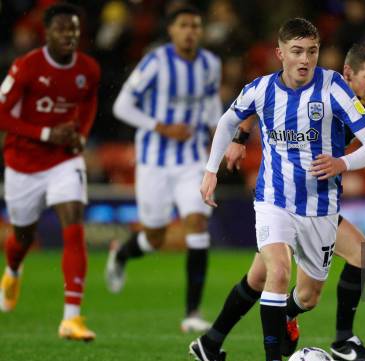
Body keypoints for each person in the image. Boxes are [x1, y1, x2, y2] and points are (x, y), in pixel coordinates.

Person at [191, 42, 365, 361]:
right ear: (348, 73)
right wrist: (240, 140)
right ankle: (342, 339)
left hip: (317, 200)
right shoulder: (319, 89)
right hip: (283, 196)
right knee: (355, 254)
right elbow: (262, 101)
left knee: (275, 284)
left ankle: (212, 342)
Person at [190, 19, 365, 361]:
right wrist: (209, 171)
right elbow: (228, 119)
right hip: (273, 201)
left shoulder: (333, 89)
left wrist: (342, 163)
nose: (305, 60)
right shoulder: (261, 89)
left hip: (321, 209)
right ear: (280, 53)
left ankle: (212, 341)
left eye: (311, 51)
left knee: (306, 296)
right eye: (296, 51)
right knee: (277, 271)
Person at [105, 5, 222, 333]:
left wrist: (221, 135)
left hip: (191, 161)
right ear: (171, 31)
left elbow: (211, 105)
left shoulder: (210, 64)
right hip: (153, 162)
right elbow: (121, 106)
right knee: (154, 236)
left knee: (197, 225)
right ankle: (122, 253)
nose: (190, 31)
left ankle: (192, 312)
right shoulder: (155, 62)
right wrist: (160, 126)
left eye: (196, 25)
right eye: (184, 25)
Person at [0, 3, 100, 341]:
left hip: (63, 161)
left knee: (73, 223)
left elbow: (88, 103)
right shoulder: (26, 67)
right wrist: (44, 133)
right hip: (22, 163)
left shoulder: (88, 69)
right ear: (47, 33)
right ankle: (13, 270)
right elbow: (2, 115)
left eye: (73, 28)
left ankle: (71, 317)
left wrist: (81, 136)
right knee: (22, 237)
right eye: (61, 29)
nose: (68, 35)